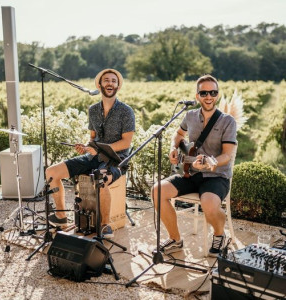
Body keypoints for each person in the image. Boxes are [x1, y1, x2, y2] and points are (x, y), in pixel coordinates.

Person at [152, 74, 237, 257]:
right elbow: (178, 135)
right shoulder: (189, 115)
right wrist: (173, 148)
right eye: (204, 92)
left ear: (217, 95)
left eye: (213, 92)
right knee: (157, 191)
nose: (208, 96)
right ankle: (175, 240)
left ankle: (220, 235)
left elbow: (227, 155)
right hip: (191, 173)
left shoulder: (227, 121)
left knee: (208, 203)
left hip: (217, 176)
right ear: (197, 95)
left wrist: (211, 162)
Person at [46, 68, 135, 238]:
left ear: (117, 86)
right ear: (100, 85)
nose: (110, 83)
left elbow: (126, 142)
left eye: (114, 81)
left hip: (116, 160)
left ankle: (105, 225)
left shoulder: (126, 111)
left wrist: (99, 148)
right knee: (51, 172)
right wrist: (85, 147)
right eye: (106, 80)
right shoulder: (93, 110)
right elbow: (92, 138)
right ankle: (61, 217)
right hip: (93, 156)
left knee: (100, 180)